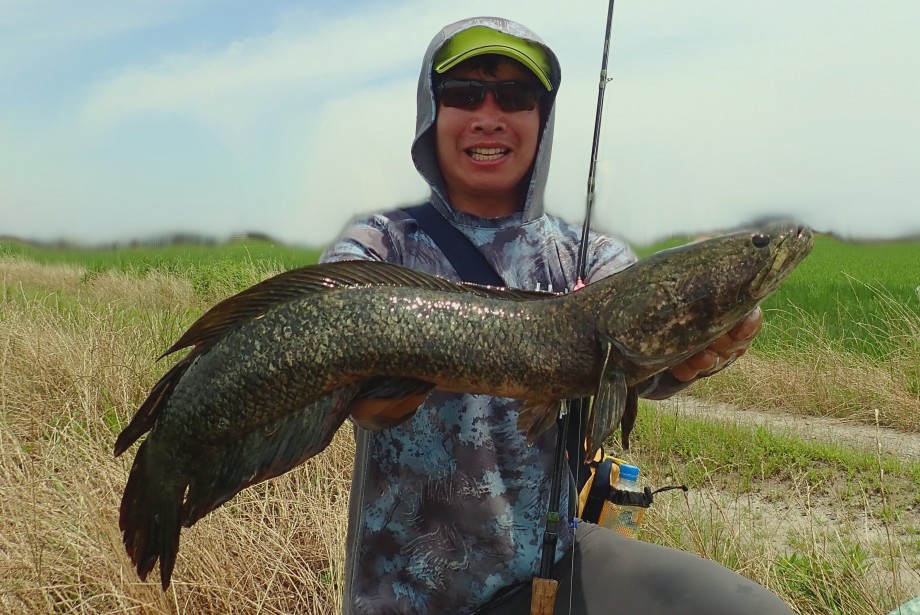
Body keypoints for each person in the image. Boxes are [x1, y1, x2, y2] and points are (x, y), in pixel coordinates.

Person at [322, 16, 791, 615]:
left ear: (542, 119)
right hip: (406, 594)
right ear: (431, 111)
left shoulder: (590, 258)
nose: (489, 115)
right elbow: (344, 373)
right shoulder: (379, 247)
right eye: (464, 93)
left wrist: (697, 356)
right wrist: (371, 395)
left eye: (515, 97)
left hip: (548, 564)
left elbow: (645, 367)